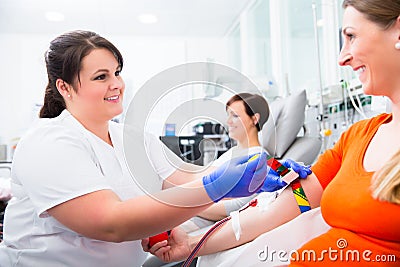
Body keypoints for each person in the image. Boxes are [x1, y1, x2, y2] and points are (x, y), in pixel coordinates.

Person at [0, 30, 289, 267]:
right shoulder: (49, 142)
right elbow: (112, 223)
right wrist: (216, 186)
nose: (117, 84)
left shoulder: (133, 139)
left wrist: (263, 172)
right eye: (101, 77)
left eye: (117, 72)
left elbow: (187, 180)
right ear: (64, 87)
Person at [144, 0, 400, 266]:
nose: (342, 57)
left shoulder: (258, 156)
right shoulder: (357, 137)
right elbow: (286, 208)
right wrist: (188, 244)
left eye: (351, 36)